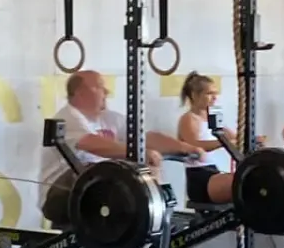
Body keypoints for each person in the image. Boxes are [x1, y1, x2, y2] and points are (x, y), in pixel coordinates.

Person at [39, 69, 203, 226]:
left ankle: (158, 218)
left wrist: (185, 148)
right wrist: (139, 153)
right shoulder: (69, 117)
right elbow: (91, 143)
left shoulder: (109, 118)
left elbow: (144, 138)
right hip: (59, 193)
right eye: (100, 87)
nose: (107, 92)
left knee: (141, 170)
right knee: (117, 171)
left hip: (93, 189)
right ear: (80, 93)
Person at [174, 72, 243, 206]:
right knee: (242, 184)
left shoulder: (213, 118)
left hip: (213, 172)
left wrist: (254, 139)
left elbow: (234, 137)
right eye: (209, 93)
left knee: (247, 181)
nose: (215, 98)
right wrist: (224, 143)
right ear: (195, 95)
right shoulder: (188, 119)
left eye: (215, 93)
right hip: (199, 177)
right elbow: (193, 146)